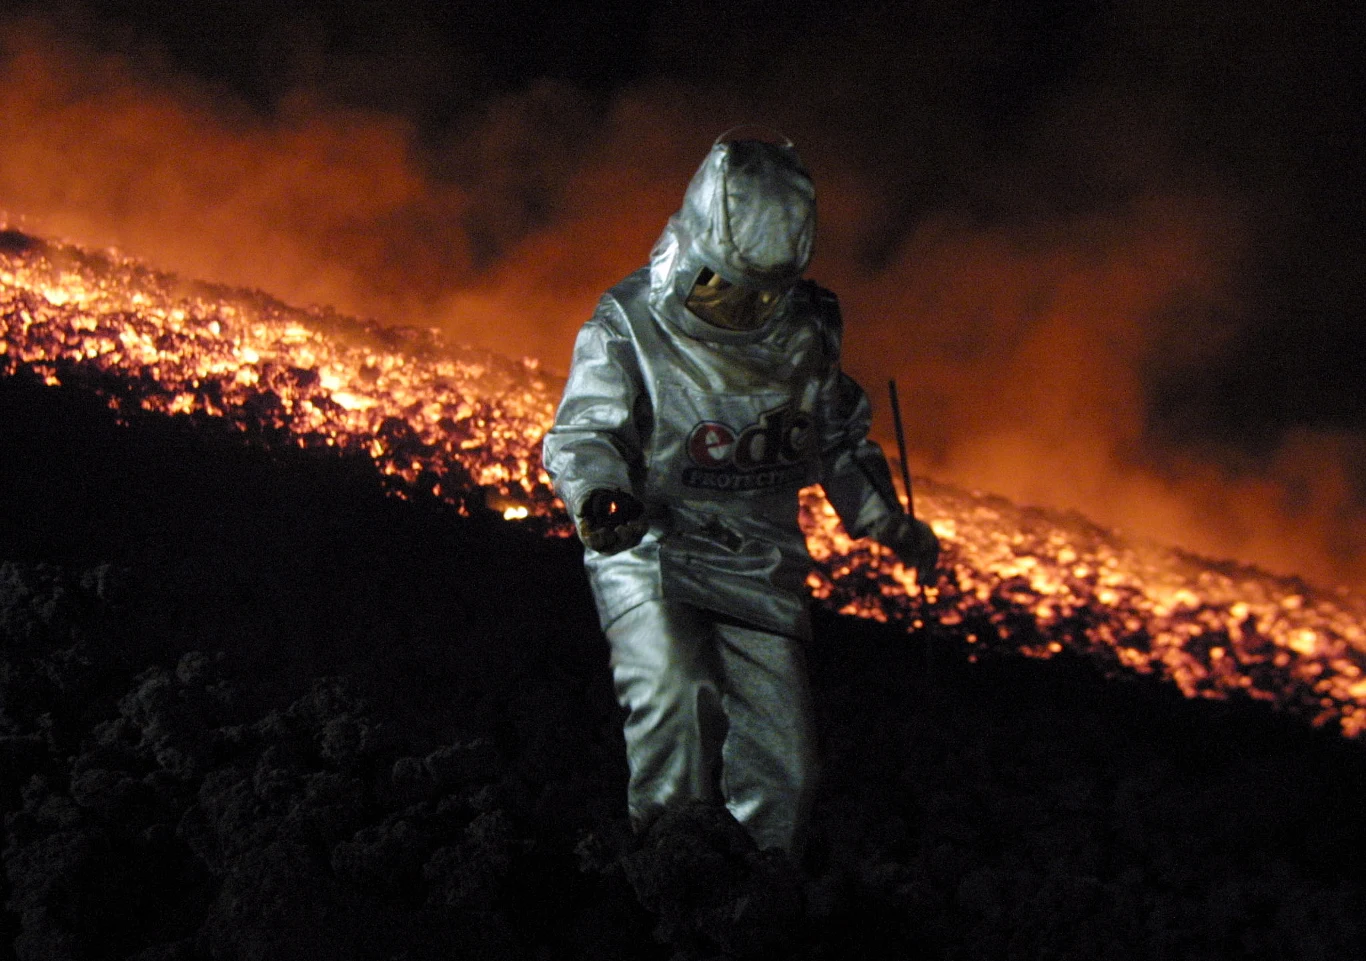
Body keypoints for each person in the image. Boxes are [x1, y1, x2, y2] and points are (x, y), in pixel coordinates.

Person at [542, 131, 938, 854]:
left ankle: (754, 891)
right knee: (676, 703)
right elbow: (586, 431)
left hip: (761, 561)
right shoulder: (630, 326)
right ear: (694, 252)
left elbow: (836, 440)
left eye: (763, 293)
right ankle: (665, 871)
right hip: (655, 546)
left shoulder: (806, 335)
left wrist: (889, 523)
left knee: (785, 765)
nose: (743, 306)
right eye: (727, 283)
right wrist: (599, 495)